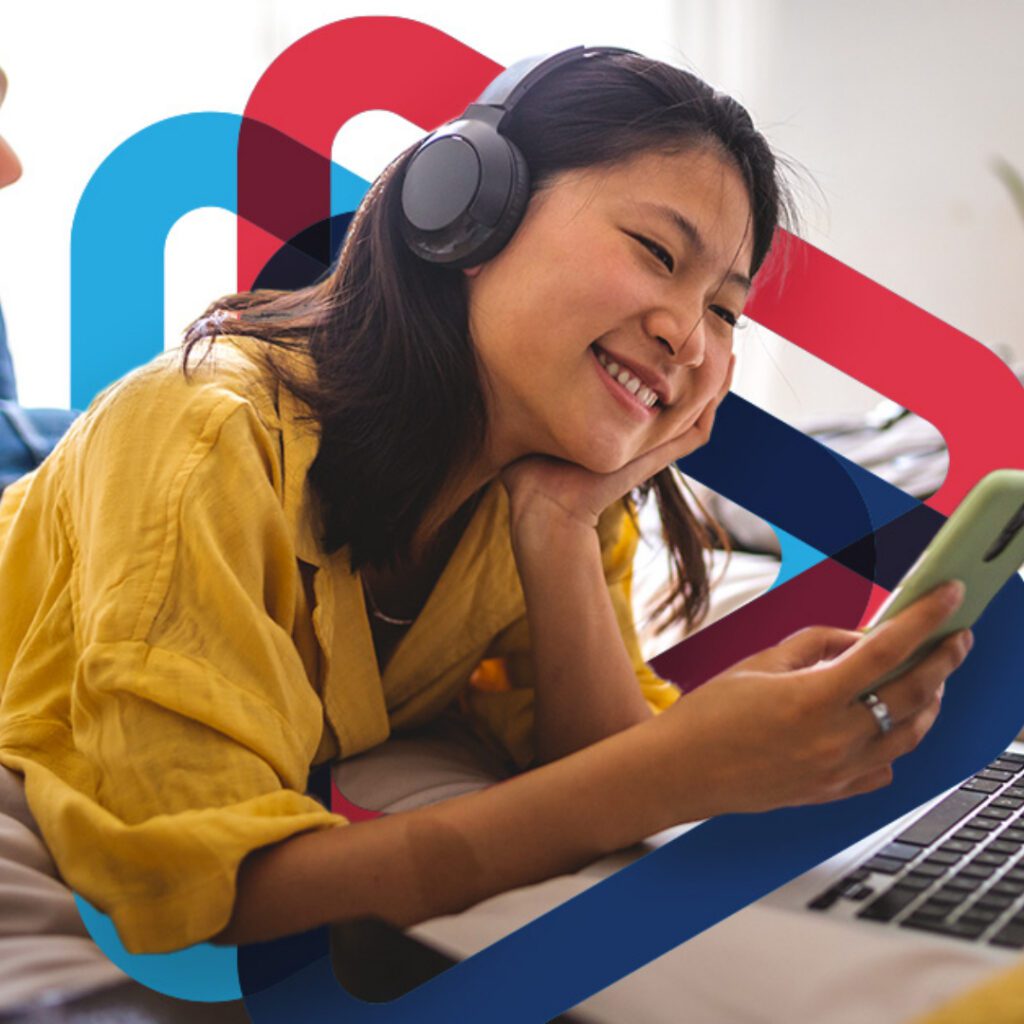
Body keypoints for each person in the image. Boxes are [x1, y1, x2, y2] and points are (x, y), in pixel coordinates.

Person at [0, 45, 970, 974]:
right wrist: (678, 768)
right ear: (462, 214)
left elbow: (591, 758)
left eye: (725, 308)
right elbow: (220, 889)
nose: (687, 332)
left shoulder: (548, 485)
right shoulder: (204, 438)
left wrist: (556, 524)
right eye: (653, 251)